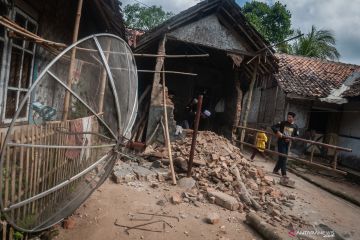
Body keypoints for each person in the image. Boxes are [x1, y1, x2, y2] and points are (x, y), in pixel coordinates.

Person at [271, 112, 299, 177]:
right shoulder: (283, 123)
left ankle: (275, 170)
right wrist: (278, 132)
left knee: (282, 157)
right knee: (283, 157)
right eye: (288, 117)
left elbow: (296, 136)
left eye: (290, 117)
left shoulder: (295, 126)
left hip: (288, 143)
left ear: (294, 118)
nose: (288, 118)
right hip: (281, 142)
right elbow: (273, 127)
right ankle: (284, 174)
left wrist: (291, 139)